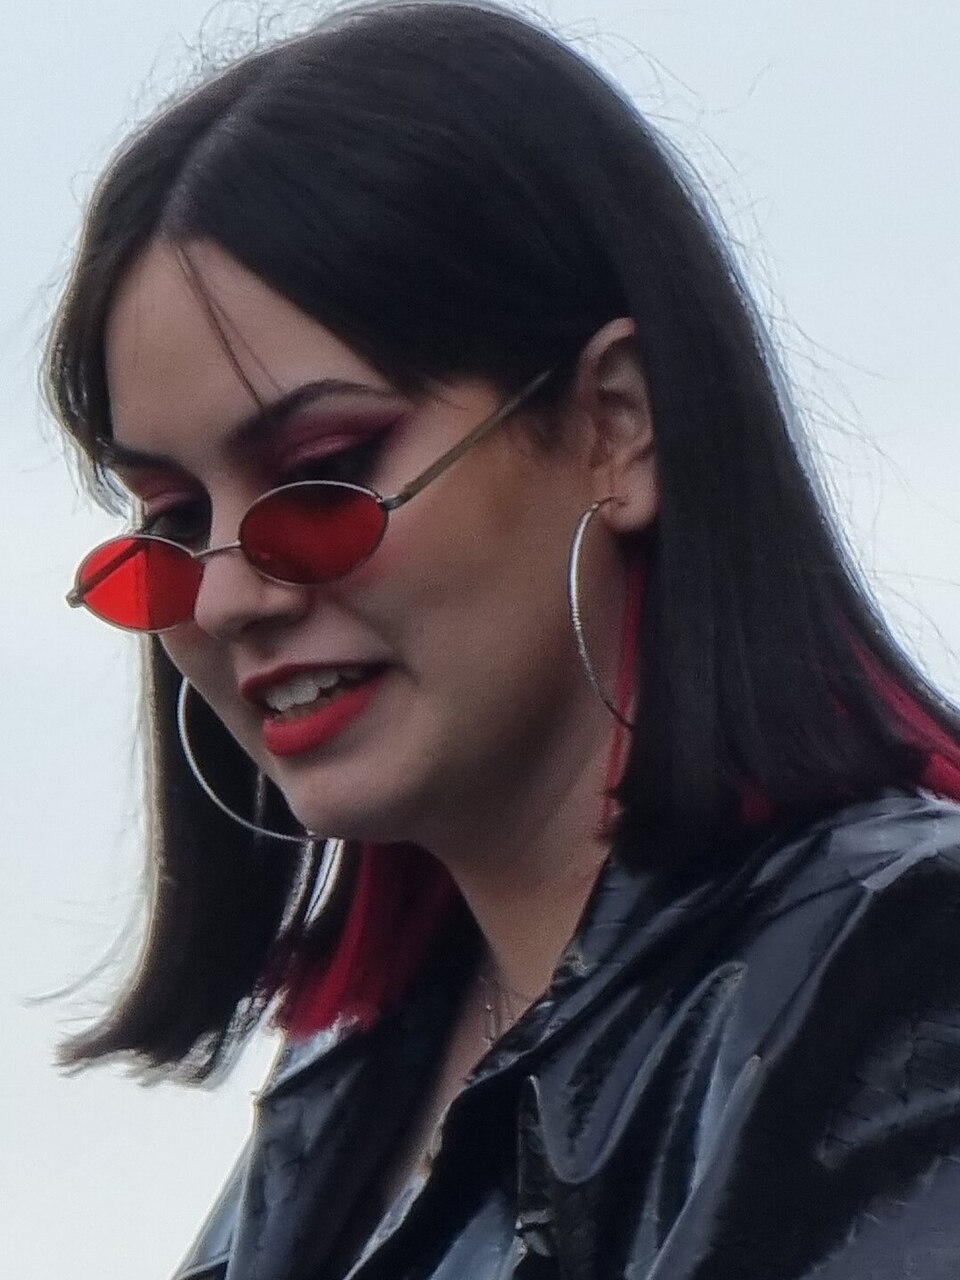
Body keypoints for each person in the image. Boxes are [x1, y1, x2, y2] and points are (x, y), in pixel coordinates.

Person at [45, 3, 960, 1277]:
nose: (227, 596)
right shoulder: (349, 1086)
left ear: (616, 426)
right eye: (173, 521)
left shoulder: (901, 975)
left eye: (322, 474)